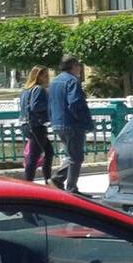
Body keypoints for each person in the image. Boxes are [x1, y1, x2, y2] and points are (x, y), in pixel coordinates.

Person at [48, 56, 93, 193]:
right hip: (72, 124)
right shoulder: (72, 81)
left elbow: (50, 103)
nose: (80, 68)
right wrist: (83, 120)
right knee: (76, 157)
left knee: (71, 155)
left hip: (58, 123)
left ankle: (58, 180)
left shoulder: (54, 81)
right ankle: (69, 186)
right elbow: (75, 103)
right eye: (78, 65)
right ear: (73, 66)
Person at [18, 66, 53, 183]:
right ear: (38, 77)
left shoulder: (26, 90)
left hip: (26, 124)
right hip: (36, 126)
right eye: (45, 76)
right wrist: (50, 107)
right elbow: (36, 106)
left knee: (48, 151)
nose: (47, 78)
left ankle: (48, 179)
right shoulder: (38, 89)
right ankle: (29, 183)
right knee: (34, 156)